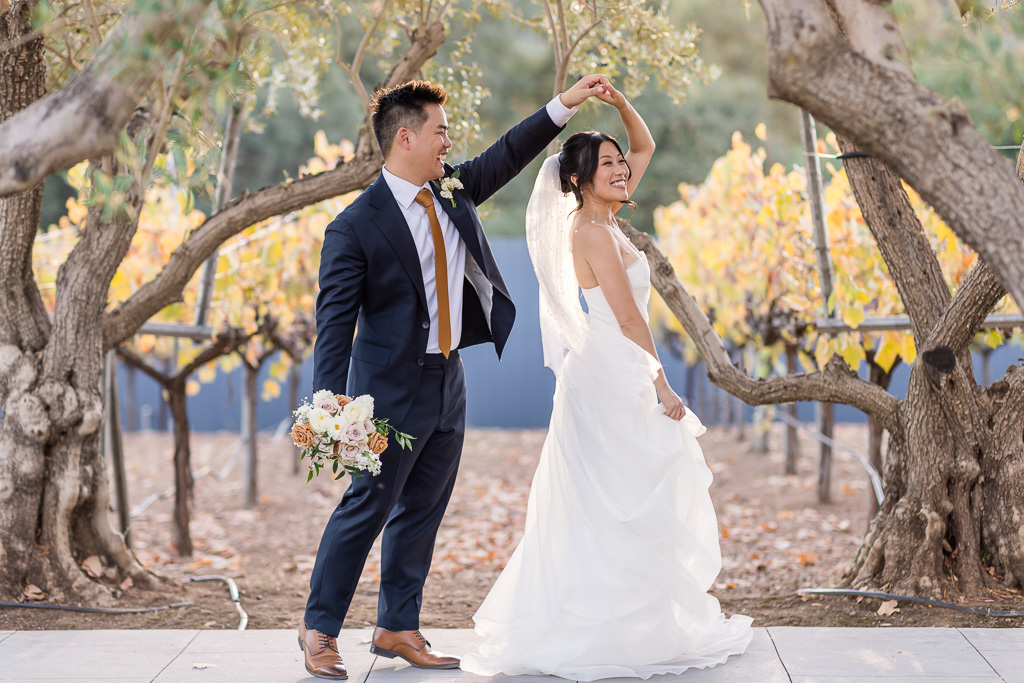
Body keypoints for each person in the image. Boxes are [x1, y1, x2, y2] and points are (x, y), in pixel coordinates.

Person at [299, 75, 613, 680]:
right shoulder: (353, 227)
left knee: (423, 509)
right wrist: (329, 404)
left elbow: (509, 152)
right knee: (366, 507)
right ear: (407, 137)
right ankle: (319, 630)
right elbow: (334, 324)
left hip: (449, 380)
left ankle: (397, 626)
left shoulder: (450, 190)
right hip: (384, 394)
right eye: (440, 131)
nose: (449, 141)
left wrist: (566, 104)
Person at [461, 82, 753, 680]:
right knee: (611, 500)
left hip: (611, 363)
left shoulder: (607, 215)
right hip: (608, 371)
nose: (623, 171)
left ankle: (635, 620)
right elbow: (626, 318)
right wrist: (661, 383)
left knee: (628, 495)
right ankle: (600, 627)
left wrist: (619, 105)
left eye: (621, 164)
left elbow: (645, 146)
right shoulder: (592, 231)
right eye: (608, 166)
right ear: (578, 181)